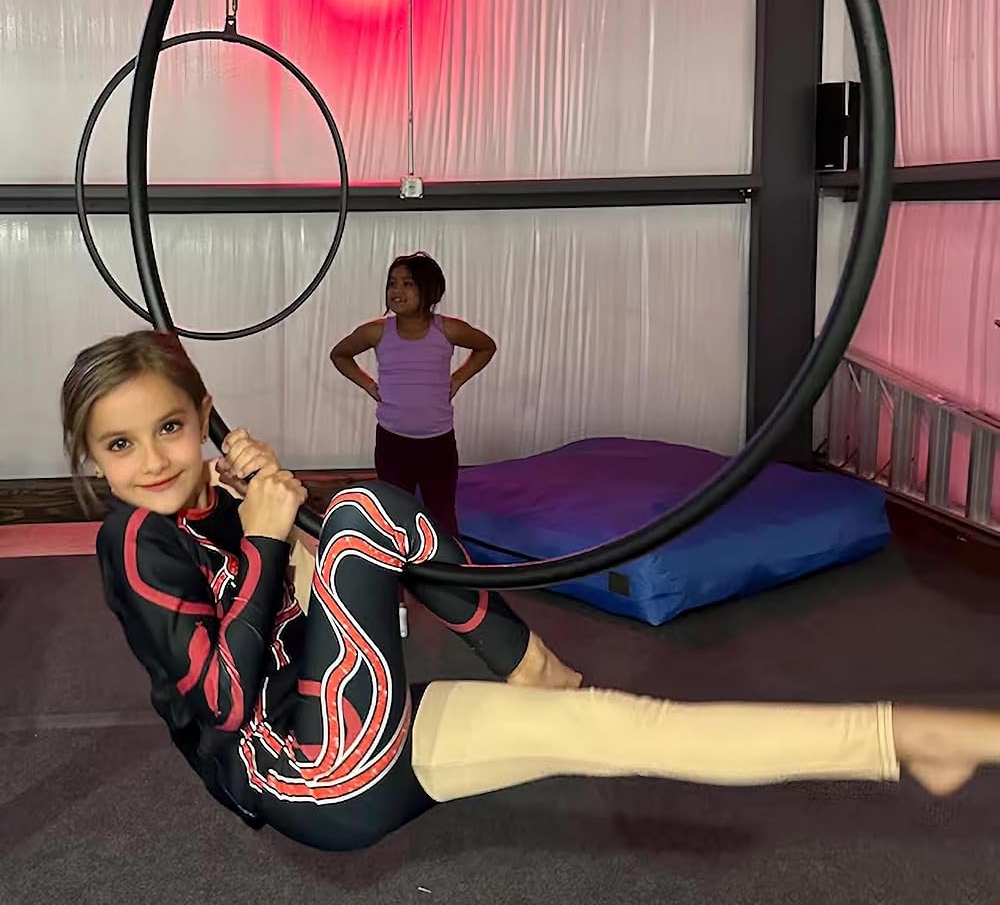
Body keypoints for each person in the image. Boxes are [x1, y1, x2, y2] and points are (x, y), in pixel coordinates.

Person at [63, 330, 1000, 854]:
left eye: (172, 427)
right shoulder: (135, 540)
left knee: (628, 727)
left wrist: (274, 510)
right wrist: (278, 533)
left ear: (204, 420)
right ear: (91, 459)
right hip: (303, 771)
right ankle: (531, 660)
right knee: (365, 509)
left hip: (365, 757)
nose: (154, 461)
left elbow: (314, 604)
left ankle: (904, 739)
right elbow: (222, 702)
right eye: (120, 445)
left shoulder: (226, 499)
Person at [329, 252, 495, 538]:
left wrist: (458, 378)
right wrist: (368, 384)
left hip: (438, 443)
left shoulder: (448, 329)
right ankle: (397, 561)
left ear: (430, 290)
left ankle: (446, 562)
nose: (397, 290)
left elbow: (486, 346)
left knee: (441, 512)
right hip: (393, 442)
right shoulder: (376, 332)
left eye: (408, 284)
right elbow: (340, 354)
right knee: (394, 512)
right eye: (392, 283)